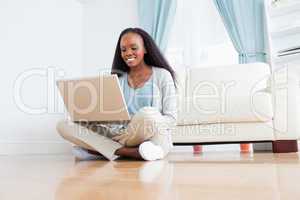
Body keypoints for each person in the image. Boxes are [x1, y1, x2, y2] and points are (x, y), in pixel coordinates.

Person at [56, 27, 177, 161]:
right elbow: (111, 120)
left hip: (149, 133)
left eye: (133, 48)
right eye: (123, 50)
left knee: (148, 114)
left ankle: (102, 150)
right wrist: (93, 115)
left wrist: (149, 120)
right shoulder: (117, 79)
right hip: (120, 134)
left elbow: (171, 119)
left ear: (145, 49)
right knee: (64, 125)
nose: (128, 53)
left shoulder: (162, 75)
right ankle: (129, 152)